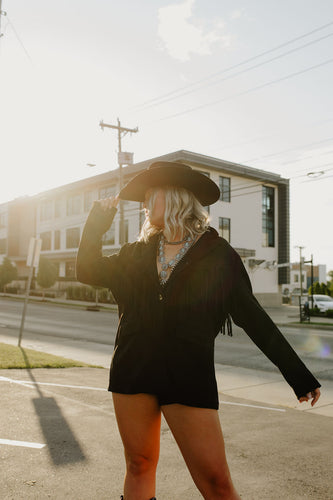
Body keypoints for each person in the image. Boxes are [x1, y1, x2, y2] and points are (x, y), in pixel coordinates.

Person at [76, 161, 321, 500]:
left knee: (216, 482)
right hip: (133, 370)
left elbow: (255, 319)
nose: (144, 205)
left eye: (150, 195)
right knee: (139, 464)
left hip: (188, 376)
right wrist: (96, 224)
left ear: (175, 196)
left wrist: (298, 374)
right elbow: (86, 270)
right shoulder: (135, 254)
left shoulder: (218, 256)